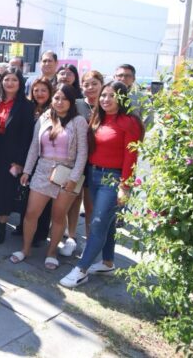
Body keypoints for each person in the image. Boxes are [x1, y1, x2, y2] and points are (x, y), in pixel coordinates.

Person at [60, 81, 144, 288]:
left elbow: (131, 157)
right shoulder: (99, 118)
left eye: (111, 96)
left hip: (113, 178)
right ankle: (107, 262)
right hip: (94, 174)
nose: (106, 99)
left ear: (122, 98)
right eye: (103, 95)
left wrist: (125, 186)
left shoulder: (129, 122)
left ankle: (81, 269)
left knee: (97, 223)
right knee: (107, 222)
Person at [11, 84, 88, 270]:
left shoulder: (78, 121)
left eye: (64, 99)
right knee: (31, 214)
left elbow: (82, 153)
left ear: (71, 102)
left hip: (67, 173)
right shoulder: (45, 117)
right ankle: (25, 248)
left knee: (58, 216)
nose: (59, 102)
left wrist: (74, 178)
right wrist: (27, 171)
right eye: (57, 98)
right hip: (43, 170)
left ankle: (52, 252)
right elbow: (34, 148)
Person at [0, 66, 35, 244]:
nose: (9, 83)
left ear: (20, 83)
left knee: (5, 191)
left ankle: (2, 228)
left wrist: (20, 162)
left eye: (14, 80)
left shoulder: (26, 106)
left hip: (11, 154)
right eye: (6, 79)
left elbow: (27, 136)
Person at [13, 76, 54, 244]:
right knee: (25, 194)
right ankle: (23, 227)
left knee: (43, 198)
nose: (39, 93)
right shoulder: (29, 108)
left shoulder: (54, 110)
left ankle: (40, 233)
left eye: (43, 90)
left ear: (50, 92)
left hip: (44, 158)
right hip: (27, 155)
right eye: (36, 90)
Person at [67, 70, 105, 253]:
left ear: (102, 85)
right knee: (73, 200)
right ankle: (71, 237)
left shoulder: (107, 105)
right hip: (75, 160)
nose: (90, 88)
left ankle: (90, 243)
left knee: (90, 205)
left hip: (96, 162)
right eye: (86, 84)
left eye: (94, 84)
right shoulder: (76, 105)